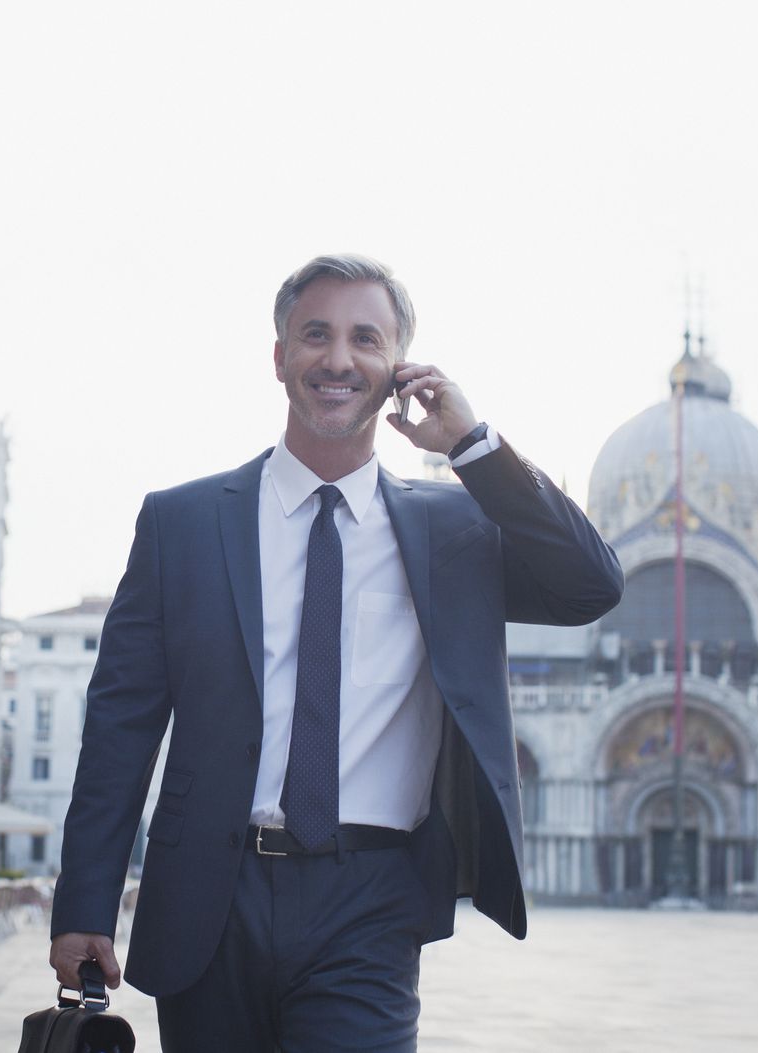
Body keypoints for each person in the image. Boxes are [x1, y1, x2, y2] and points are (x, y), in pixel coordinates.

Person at [49, 254, 623, 1051]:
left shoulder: (453, 533)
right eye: (315, 335)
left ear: (398, 370)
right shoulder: (181, 524)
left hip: (373, 898)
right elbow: (119, 730)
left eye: (366, 339)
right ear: (279, 356)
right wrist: (84, 904)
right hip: (211, 893)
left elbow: (588, 586)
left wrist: (473, 445)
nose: (338, 359)